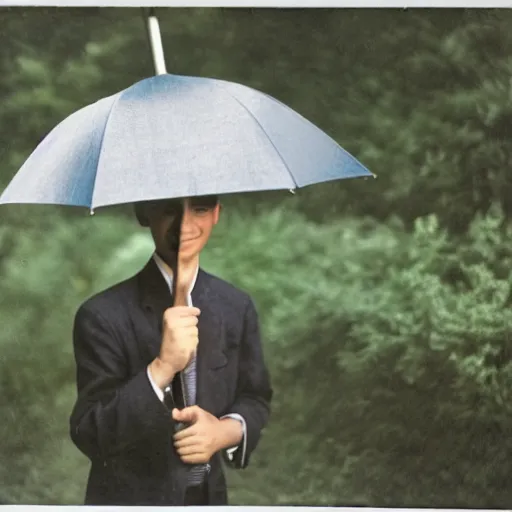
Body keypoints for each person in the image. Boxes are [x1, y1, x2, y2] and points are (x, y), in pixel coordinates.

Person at [69, 195, 273, 506]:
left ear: (217, 213)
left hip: (208, 498)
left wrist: (223, 431)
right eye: (169, 209)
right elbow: (90, 432)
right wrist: (162, 367)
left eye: (200, 208)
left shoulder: (235, 306)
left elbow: (255, 397)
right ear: (143, 213)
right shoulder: (101, 314)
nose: (186, 224)